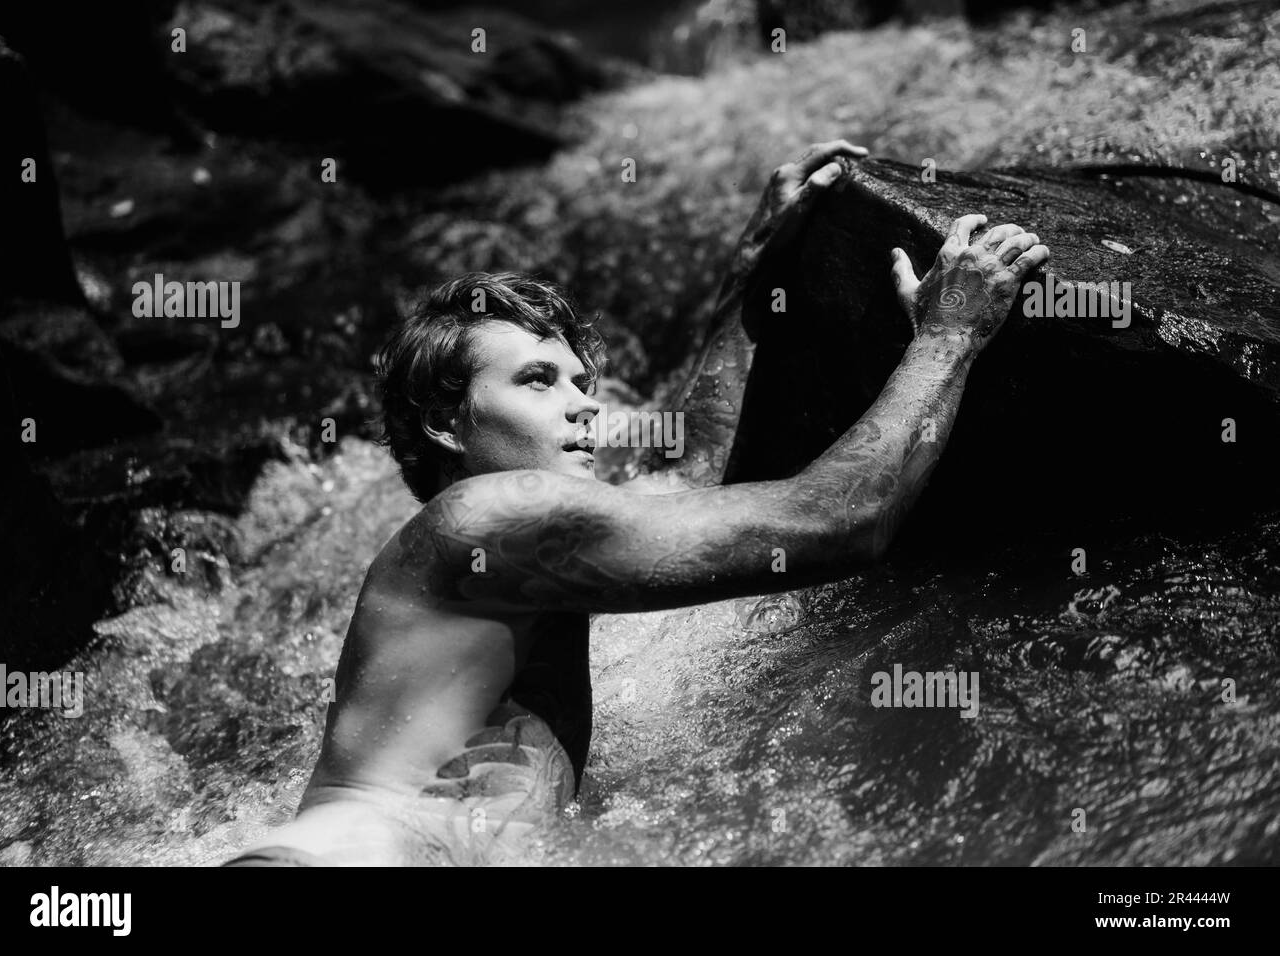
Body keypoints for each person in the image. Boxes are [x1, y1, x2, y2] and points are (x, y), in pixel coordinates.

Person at [222, 140, 1049, 866]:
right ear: (445, 422)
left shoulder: (502, 554)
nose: (584, 402)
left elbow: (690, 482)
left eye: (583, 380)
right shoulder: (484, 522)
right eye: (538, 382)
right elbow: (839, 524)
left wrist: (751, 272)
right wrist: (949, 336)